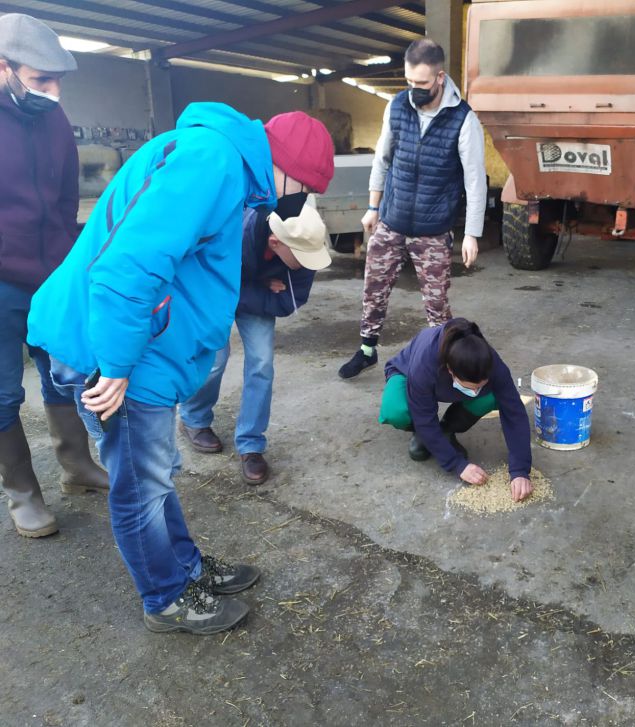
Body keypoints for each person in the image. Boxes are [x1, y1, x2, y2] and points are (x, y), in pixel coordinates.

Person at [27, 104, 333, 635]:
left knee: (156, 472)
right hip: (115, 345)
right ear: (287, 169)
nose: (299, 199)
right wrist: (118, 364)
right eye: (304, 187)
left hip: (137, 341)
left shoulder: (225, 164)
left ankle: (185, 568)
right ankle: (165, 598)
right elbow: (130, 264)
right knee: (140, 483)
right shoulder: (211, 161)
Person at [0, 13, 109, 539]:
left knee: (63, 374)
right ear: (4, 69)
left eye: (58, 81)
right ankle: (23, 494)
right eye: (41, 80)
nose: (53, 91)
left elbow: (67, 201)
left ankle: (77, 467)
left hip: (51, 276)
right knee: (3, 392)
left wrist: (71, 264)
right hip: (0, 282)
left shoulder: (54, 120)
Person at [338, 38, 487, 379]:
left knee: (436, 305)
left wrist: (472, 234)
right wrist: (373, 207)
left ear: (439, 77)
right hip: (392, 218)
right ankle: (366, 349)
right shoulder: (398, 106)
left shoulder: (462, 119)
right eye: (408, 82)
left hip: (433, 229)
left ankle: (445, 362)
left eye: (420, 83)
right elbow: (382, 158)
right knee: (374, 286)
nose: (413, 89)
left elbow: (474, 180)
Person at [179, 193, 333, 485]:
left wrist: (249, 288)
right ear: (275, 243)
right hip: (216, 290)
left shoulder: (305, 241)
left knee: (262, 362)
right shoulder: (234, 233)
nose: (307, 263)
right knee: (214, 359)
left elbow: (289, 301)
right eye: (300, 257)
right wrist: (258, 286)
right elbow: (208, 278)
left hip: (249, 293)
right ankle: (193, 418)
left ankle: (250, 443)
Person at [378, 318, 533, 502]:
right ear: (450, 370)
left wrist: (520, 470)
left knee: (491, 396)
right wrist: (457, 465)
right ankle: (422, 435)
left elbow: (514, 412)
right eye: (470, 386)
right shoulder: (424, 365)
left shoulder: (494, 366)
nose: (475, 392)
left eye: (480, 386)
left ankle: (446, 429)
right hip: (406, 374)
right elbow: (423, 415)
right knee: (396, 411)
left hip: (449, 381)